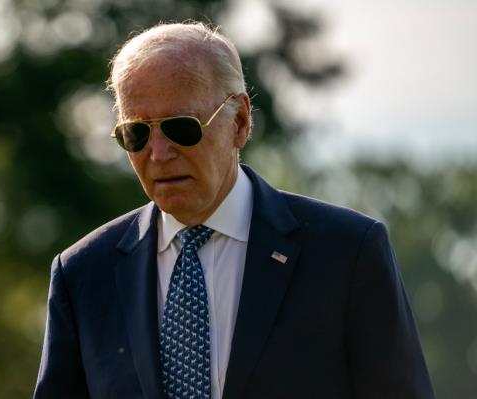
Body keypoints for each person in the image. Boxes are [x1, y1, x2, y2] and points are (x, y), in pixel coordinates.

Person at [34, 22, 435, 399]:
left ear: (240, 121)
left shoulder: (347, 252)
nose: (157, 153)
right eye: (136, 133)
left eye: (181, 127)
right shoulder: (84, 275)